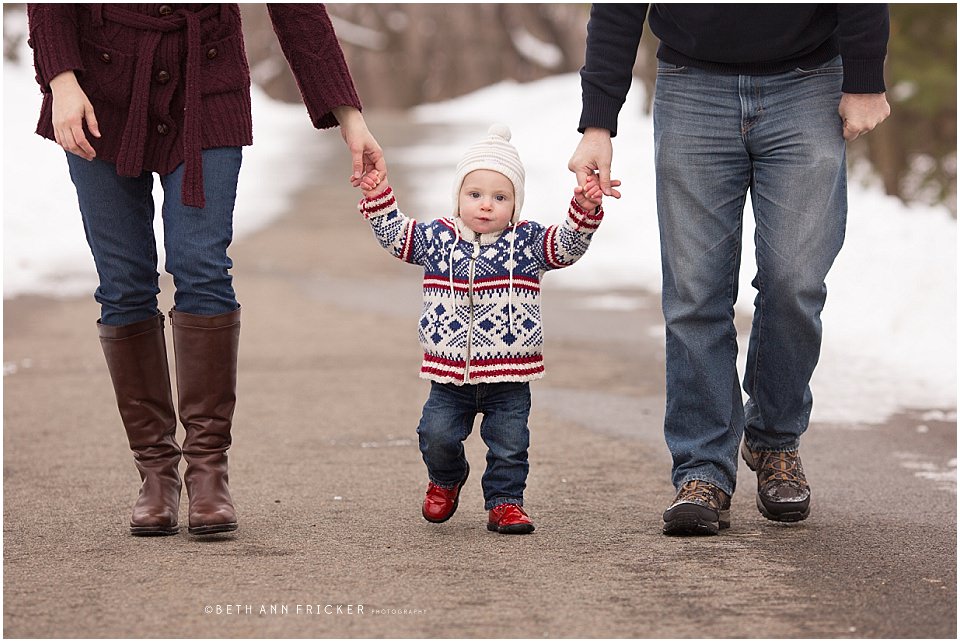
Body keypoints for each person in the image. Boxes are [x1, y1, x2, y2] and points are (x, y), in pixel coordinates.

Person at [27, 4, 385, 537]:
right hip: (96, 87)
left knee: (202, 267)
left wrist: (349, 116)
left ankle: (208, 472)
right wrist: (61, 79)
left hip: (206, 79)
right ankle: (155, 474)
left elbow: (298, 10)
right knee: (123, 287)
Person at [568, 5, 891, 535]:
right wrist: (598, 122)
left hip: (807, 84)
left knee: (796, 279)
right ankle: (701, 469)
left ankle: (774, 441)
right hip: (692, 85)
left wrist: (865, 75)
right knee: (695, 292)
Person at [355, 125, 611, 534]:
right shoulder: (438, 238)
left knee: (510, 445)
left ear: (516, 203)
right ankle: (446, 478)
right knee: (435, 434)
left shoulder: (527, 243)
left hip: (509, 376)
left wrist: (584, 208)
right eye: (475, 194)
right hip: (449, 374)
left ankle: (505, 502)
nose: (486, 205)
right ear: (457, 197)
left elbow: (567, 247)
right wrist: (377, 198)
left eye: (500, 197)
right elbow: (397, 236)